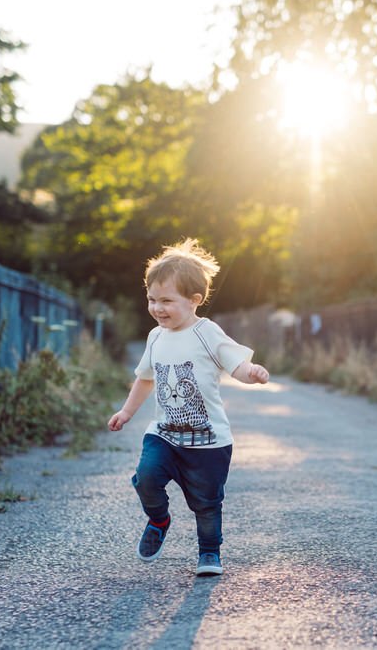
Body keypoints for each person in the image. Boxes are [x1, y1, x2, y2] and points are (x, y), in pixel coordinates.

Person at [108, 238, 270, 577]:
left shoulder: (206, 333)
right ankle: (159, 519)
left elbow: (234, 363)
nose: (157, 308)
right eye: (152, 299)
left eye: (166, 301)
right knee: (146, 477)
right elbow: (145, 379)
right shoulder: (155, 337)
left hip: (209, 442)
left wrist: (251, 373)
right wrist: (126, 412)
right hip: (164, 435)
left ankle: (209, 553)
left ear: (194, 301)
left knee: (206, 504)